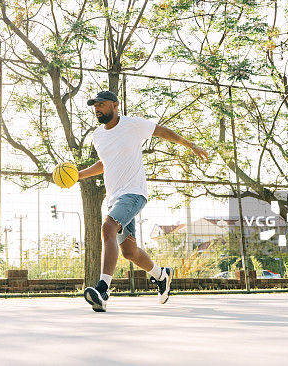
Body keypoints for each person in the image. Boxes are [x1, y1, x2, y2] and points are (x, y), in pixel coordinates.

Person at [78, 90, 209, 312]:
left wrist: (191, 145)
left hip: (134, 193)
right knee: (129, 252)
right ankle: (161, 275)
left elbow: (163, 133)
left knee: (108, 227)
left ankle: (102, 290)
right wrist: (79, 175)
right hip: (115, 198)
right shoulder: (97, 136)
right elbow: (106, 163)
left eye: (101, 104)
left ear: (115, 105)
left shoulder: (133, 125)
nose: (97, 108)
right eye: (95, 105)